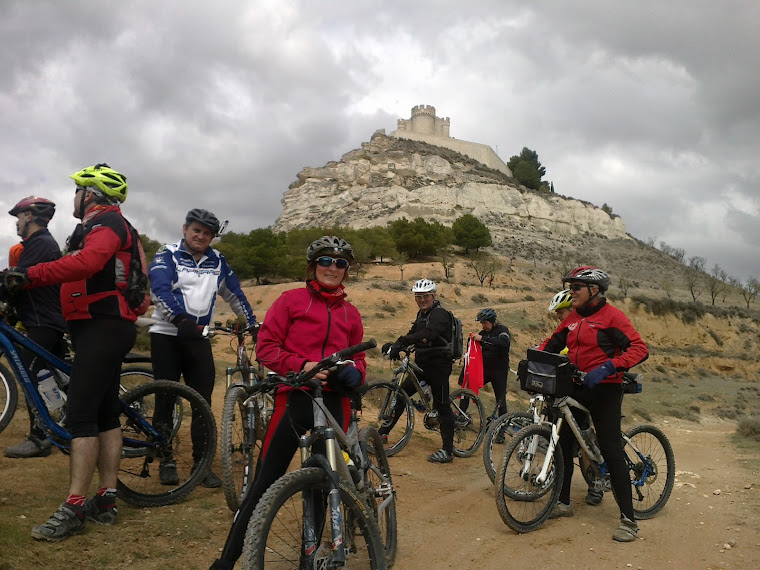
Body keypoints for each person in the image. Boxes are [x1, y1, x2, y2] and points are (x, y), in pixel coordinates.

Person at [211, 235, 367, 569]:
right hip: (294, 396)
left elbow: (360, 360)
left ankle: (308, 559)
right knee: (265, 483)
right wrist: (302, 366)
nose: (333, 268)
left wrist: (355, 376)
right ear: (313, 266)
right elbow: (267, 347)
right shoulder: (291, 301)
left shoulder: (351, 313)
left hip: (334, 401)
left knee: (326, 482)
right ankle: (226, 561)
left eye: (341, 263)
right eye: (326, 260)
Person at [5, 163, 142, 540]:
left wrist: (29, 274)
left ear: (91, 194)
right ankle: (107, 499)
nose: (74, 198)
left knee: (80, 415)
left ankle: (76, 506)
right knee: (105, 413)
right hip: (95, 326)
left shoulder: (107, 224)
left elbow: (88, 263)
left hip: (103, 325)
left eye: (77, 191)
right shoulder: (95, 226)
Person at [148, 208, 257, 488]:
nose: (201, 236)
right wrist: (179, 318)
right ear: (185, 229)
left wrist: (252, 323)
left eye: (207, 233)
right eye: (196, 230)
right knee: (166, 399)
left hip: (197, 339)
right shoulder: (167, 254)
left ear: (212, 237)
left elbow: (235, 294)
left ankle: (202, 463)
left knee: (202, 402)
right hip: (166, 335)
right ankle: (165, 459)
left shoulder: (217, 261)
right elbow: (159, 290)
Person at [538, 266, 648, 542]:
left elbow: (639, 348)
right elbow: (553, 343)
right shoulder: (573, 318)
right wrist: (534, 358)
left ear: (594, 290)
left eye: (576, 287)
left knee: (611, 450)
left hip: (606, 388)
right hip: (577, 385)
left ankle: (629, 520)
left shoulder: (613, 317)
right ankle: (563, 503)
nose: (571, 292)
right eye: (570, 287)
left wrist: (611, 366)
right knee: (563, 442)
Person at [3, 197, 68, 459]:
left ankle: (40, 438)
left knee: (29, 372)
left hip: (44, 320)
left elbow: (18, 279)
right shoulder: (37, 244)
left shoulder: (40, 244)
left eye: (18, 218)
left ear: (29, 216)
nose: (17, 224)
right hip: (43, 319)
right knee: (60, 375)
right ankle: (72, 421)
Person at [384, 278, 456, 464]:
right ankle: (383, 432)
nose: (422, 299)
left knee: (442, 406)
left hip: (439, 365)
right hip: (423, 365)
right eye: (418, 297)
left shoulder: (440, 314)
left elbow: (428, 334)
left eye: (425, 296)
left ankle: (448, 451)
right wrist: (395, 345)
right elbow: (413, 334)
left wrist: (403, 341)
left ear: (433, 295)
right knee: (402, 395)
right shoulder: (421, 315)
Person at [547, 288, 603, 506]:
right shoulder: (566, 329)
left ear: (573, 309)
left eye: (561, 312)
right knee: (564, 441)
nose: (559, 316)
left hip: (589, 389)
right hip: (565, 391)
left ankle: (595, 482)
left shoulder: (584, 328)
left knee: (585, 439)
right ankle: (562, 496)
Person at [470, 308, 511, 419]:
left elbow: (503, 343)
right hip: (485, 369)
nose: (483, 325)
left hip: (500, 371)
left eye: (485, 323)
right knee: (469, 386)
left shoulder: (502, 330)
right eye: (481, 323)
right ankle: (462, 415)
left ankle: (502, 429)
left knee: (500, 400)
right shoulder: (482, 333)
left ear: (492, 321)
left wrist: (482, 339)